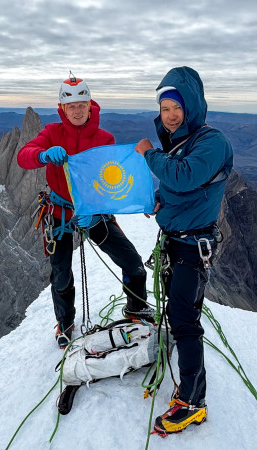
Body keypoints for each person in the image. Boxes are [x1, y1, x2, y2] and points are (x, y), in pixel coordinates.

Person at [17, 73, 154, 349]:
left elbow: (110, 178)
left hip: (94, 211)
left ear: (90, 105)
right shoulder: (53, 133)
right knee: (61, 274)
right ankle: (65, 323)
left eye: (82, 104)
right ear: (62, 109)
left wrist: (100, 206)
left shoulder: (104, 138)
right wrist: (44, 155)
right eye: (72, 106)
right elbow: (24, 156)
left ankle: (136, 308)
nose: (77, 111)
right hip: (60, 212)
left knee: (131, 261)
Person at [134, 67, 233, 435]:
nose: (170, 115)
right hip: (177, 242)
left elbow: (185, 175)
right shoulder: (183, 143)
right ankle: (187, 387)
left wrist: (148, 155)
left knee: (185, 321)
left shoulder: (213, 142)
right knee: (180, 315)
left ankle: (193, 402)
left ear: (191, 107)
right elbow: (180, 188)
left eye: (176, 107)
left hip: (193, 247)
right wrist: (160, 200)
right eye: (164, 109)